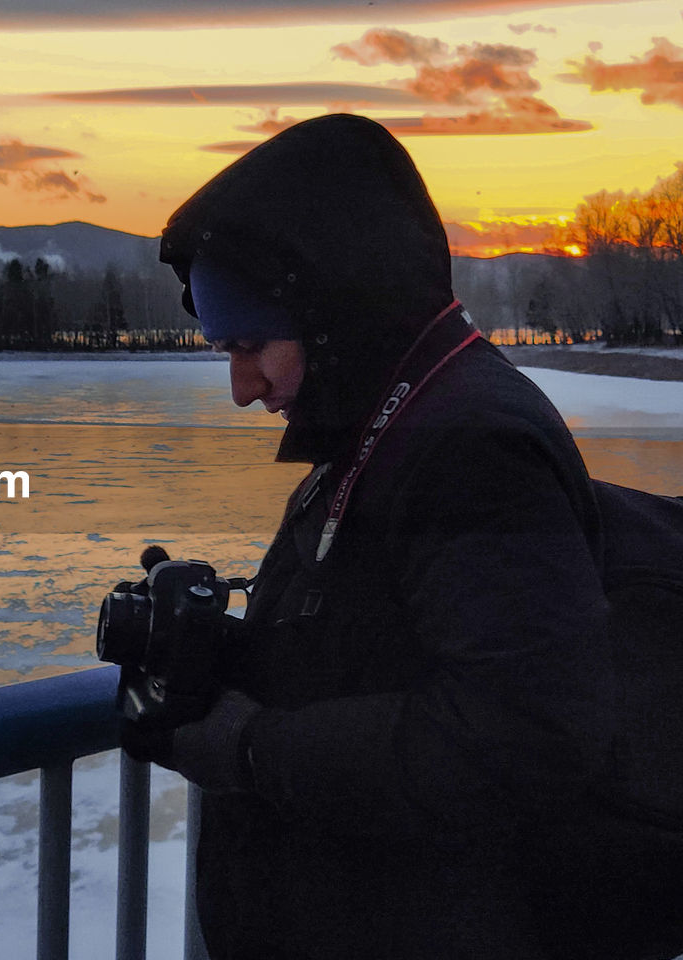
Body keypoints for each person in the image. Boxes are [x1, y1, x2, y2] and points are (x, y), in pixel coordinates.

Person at [129, 112, 644, 959]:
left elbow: (526, 731)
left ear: (334, 305)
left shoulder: (470, 442)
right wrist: (223, 659)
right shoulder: (385, 420)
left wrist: (252, 750)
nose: (241, 387)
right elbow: (385, 641)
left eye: (252, 345)